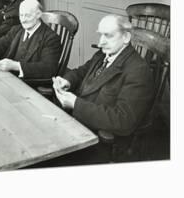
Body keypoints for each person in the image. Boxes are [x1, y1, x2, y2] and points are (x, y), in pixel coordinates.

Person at [47, 14, 154, 164]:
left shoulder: (138, 71)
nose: (101, 42)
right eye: (100, 35)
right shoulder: (103, 54)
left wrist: (76, 104)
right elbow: (81, 71)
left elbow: (123, 120)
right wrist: (67, 81)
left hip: (97, 140)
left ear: (126, 37)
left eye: (108, 36)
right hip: (75, 124)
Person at [0, 0, 61, 82]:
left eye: (28, 15)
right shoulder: (17, 29)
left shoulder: (51, 38)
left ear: (38, 14)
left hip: (29, 83)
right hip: (6, 76)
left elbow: (48, 68)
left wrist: (16, 66)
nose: (23, 20)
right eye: (21, 15)